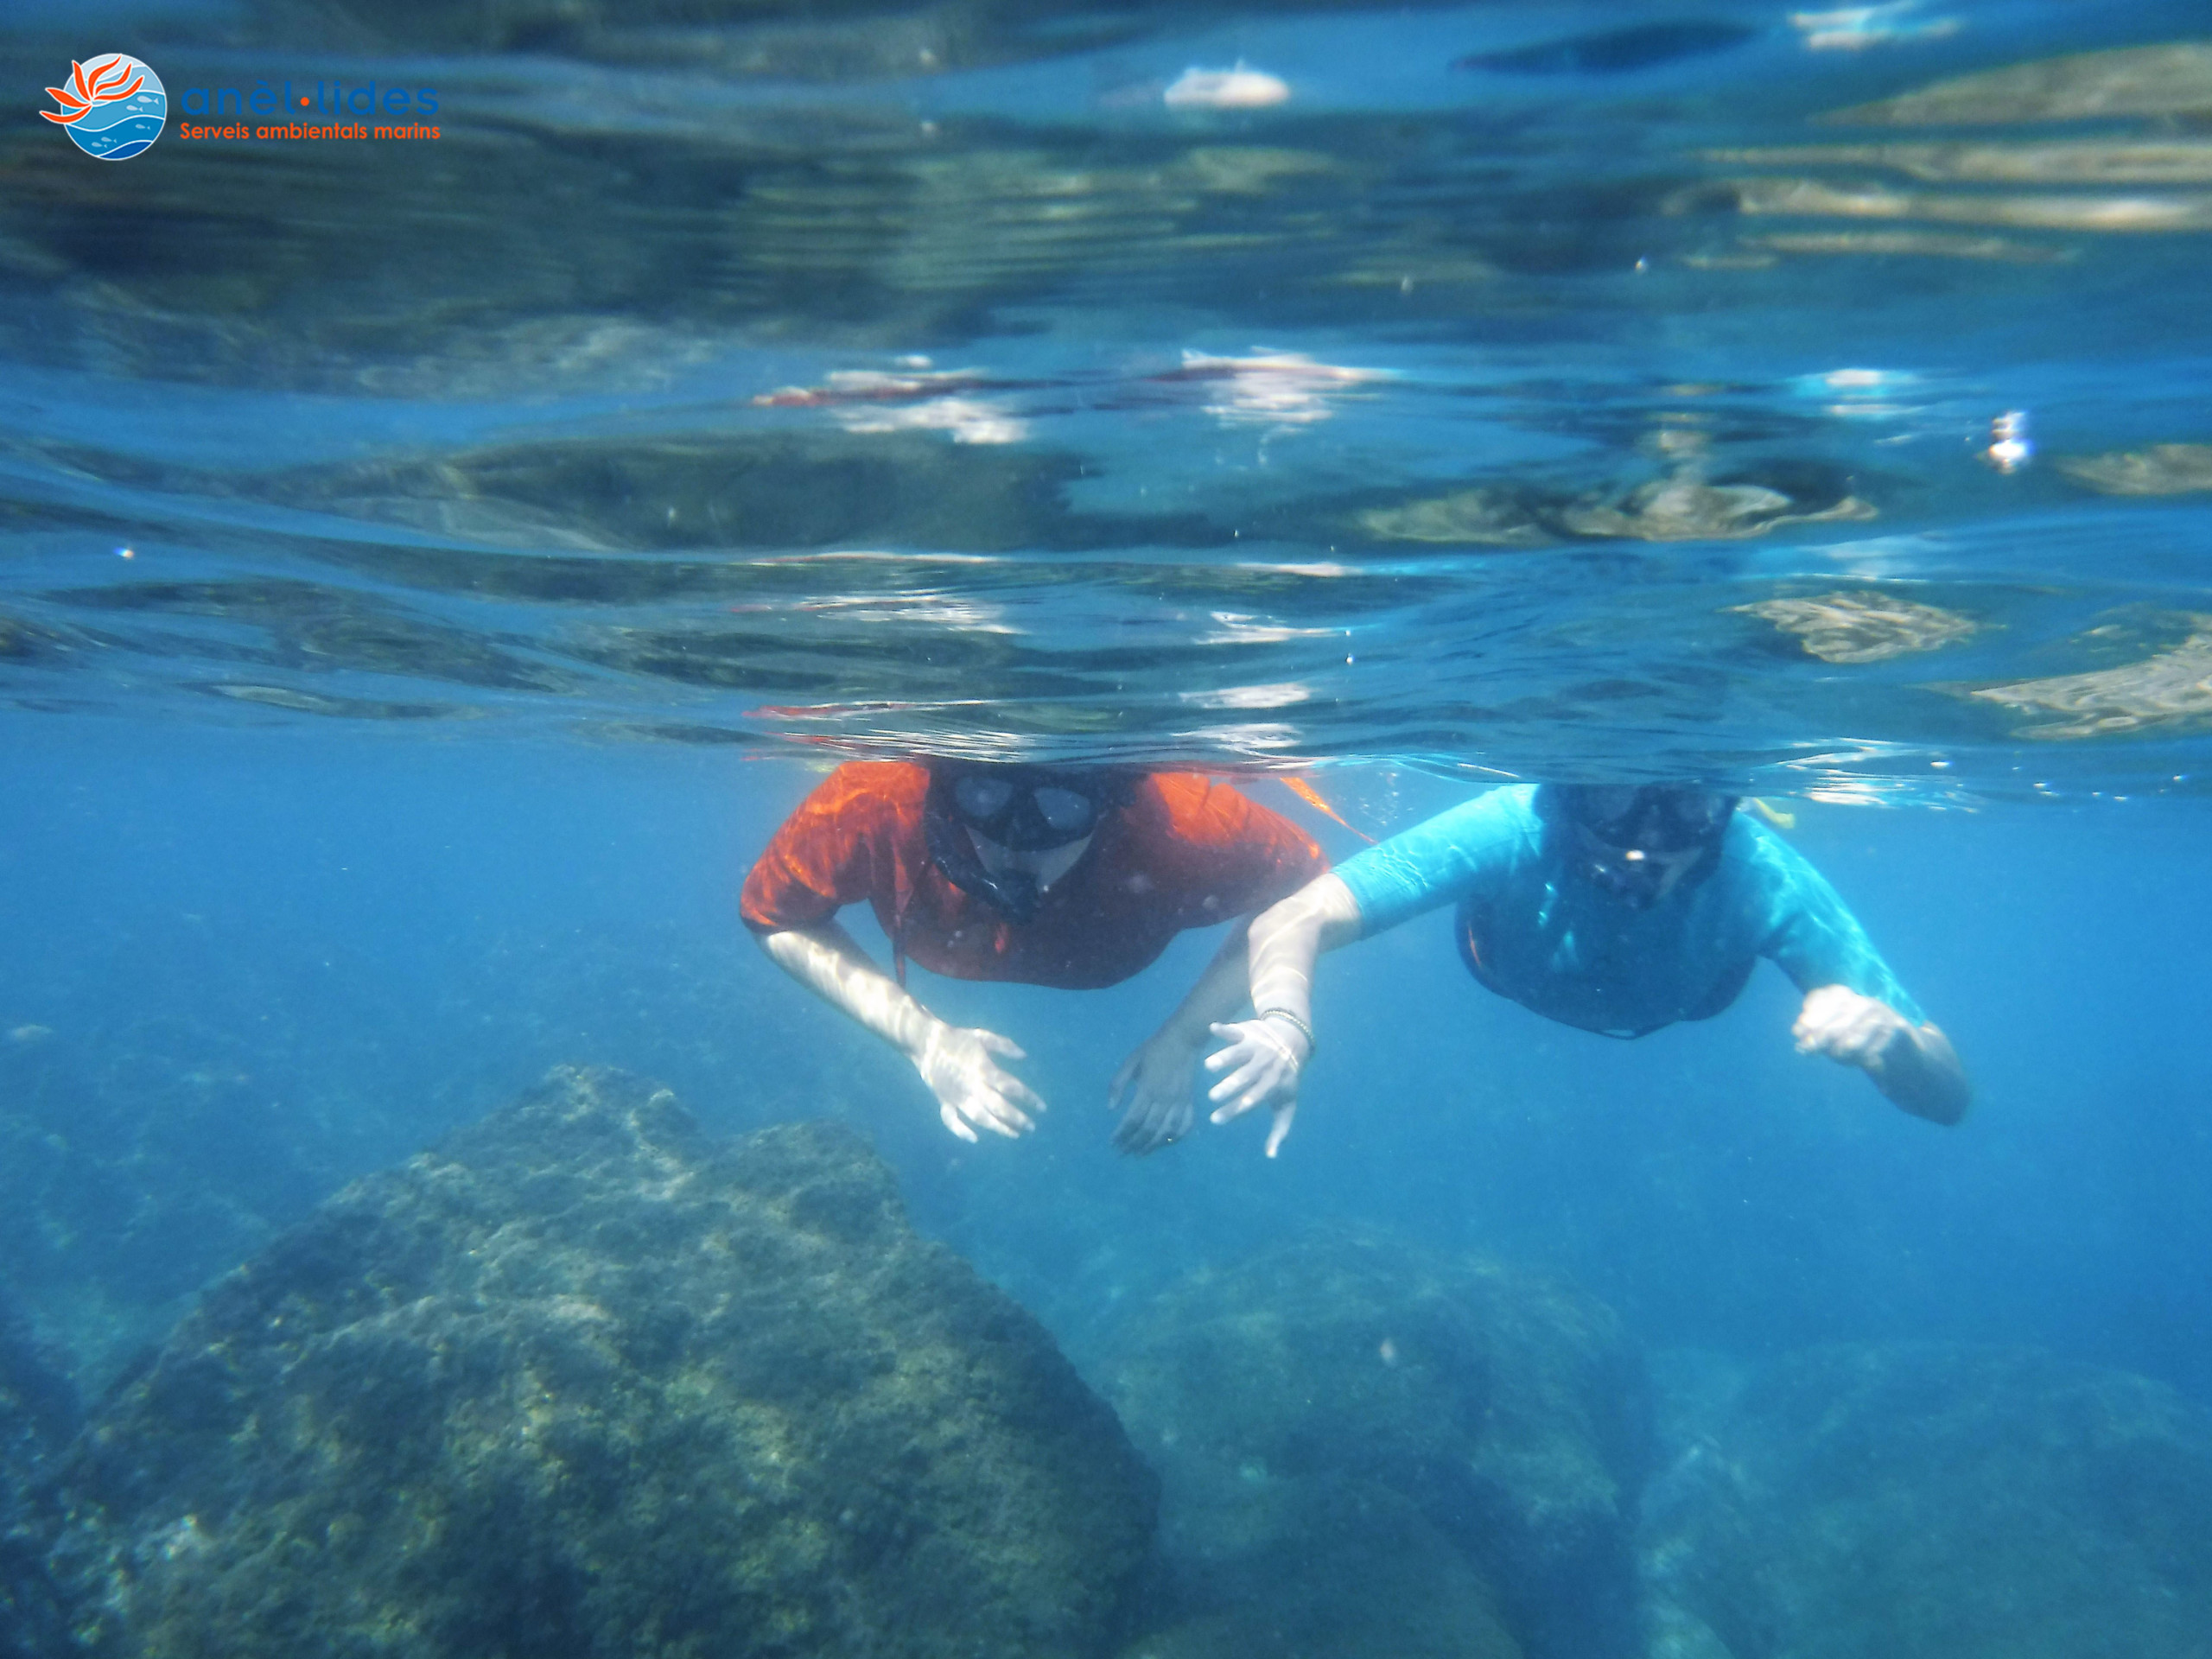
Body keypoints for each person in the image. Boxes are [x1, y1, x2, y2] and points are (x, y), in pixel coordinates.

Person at [1205, 783, 1969, 1155]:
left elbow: (1949, 1096)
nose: (1649, 836)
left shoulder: (1761, 873)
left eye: (1691, 803)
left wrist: (1894, 1044)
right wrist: (1284, 1021)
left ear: (1728, 807)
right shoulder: (1515, 823)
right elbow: (1294, 917)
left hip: (1686, 997)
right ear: (1567, 796)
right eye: (1612, 797)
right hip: (1499, 960)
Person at [742, 760, 1327, 1152]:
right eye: (983, 792)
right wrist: (923, 1039)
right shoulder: (875, 801)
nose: (1014, 838)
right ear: (946, 788)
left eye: (1061, 807)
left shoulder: (1186, 826)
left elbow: (1312, 891)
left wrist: (1187, 1034)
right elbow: (774, 915)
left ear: (1107, 806)